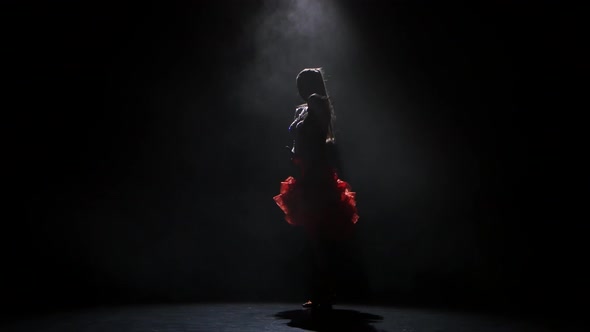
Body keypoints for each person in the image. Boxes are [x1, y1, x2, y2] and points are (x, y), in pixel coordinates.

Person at [273, 68, 359, 312]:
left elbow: (309, 138)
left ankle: (324, 291)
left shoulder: (315, 103)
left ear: (310, 85)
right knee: (317, 239)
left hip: (316, 177)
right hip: (311, 174)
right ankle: (322, 291)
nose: (299, 90)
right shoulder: (312, 107)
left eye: (302, 84)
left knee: (318, 239)